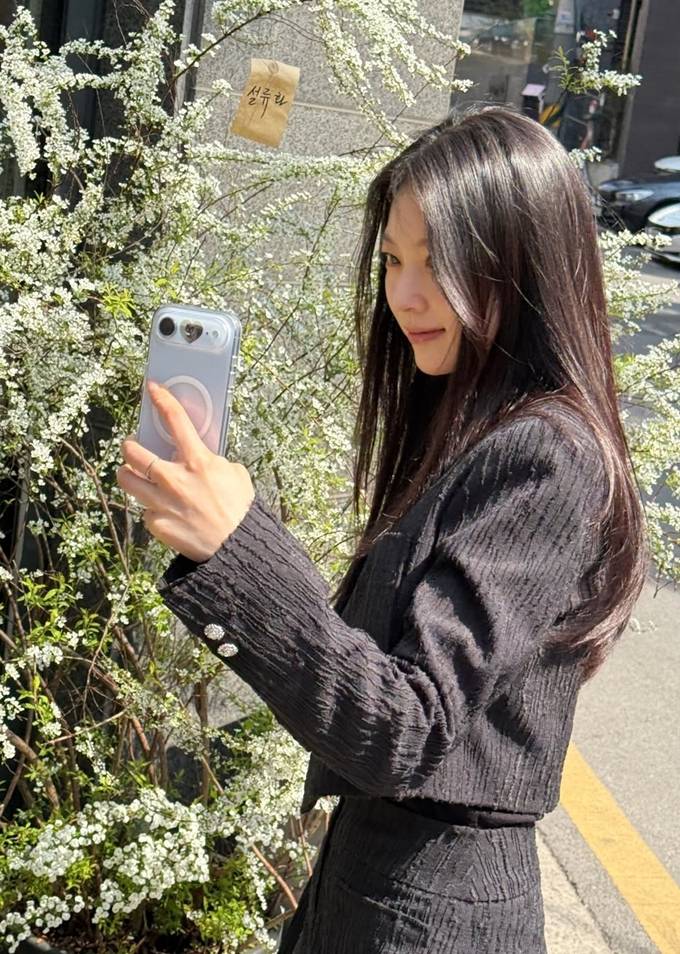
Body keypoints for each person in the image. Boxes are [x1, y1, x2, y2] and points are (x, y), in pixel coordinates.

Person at [116, 104, 649, 953]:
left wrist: (236, 545)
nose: (404, 295)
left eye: (437, 260)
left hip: (433, 909)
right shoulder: (474, 428)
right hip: (382, 883)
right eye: (394, 260)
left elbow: (406, 727)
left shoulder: (548, 455)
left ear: (521, 261)